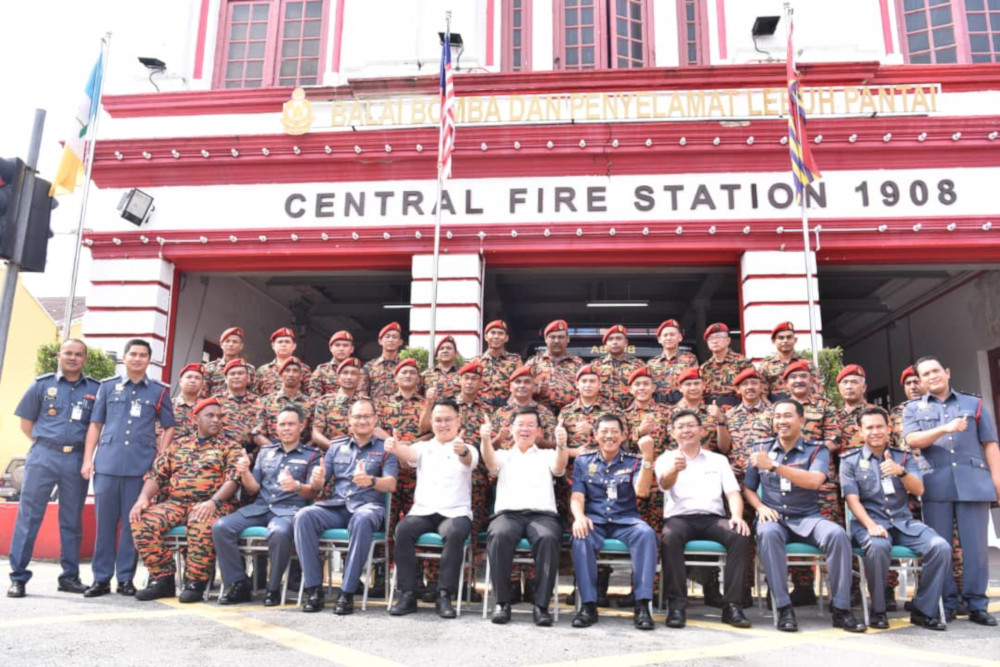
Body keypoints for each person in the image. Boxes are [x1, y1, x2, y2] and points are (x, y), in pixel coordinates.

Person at [742, 399, 866, 633]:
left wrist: (774, 466)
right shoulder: (760, 448)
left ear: (801, 420)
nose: (782, 421)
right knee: (767, 533)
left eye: (787, 416)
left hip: (808, 518)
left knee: (837, 535)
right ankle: (784, 607)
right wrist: (759, 507)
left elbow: (814, 481)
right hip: (774, 518)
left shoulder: (816, 449)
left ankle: (841, 609)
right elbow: (748, 487)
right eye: (777, 416)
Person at [903, 356, 1000, 626]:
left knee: (977, 549)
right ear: (920, 381)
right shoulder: (912, 409)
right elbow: (913, 440)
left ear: (947, 372)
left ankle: (977, 604)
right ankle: (946, 601)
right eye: (925, 374)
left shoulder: (974, 403)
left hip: (973, 482)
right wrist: (944, 428)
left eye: (936, 371)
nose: (932, 376)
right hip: (935, 483)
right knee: (941, 547)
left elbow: (990, 443)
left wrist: (998, 481)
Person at [840, 406, 949, 631]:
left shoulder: (904, 457)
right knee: (878, 547)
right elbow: (852, 501)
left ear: (889, 429)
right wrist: (870, 526)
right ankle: (878, 610)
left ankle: (923, 609)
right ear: (860, 431)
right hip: (869, 523)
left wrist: (901, 472)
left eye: (880, 426)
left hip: (903, 523)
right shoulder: (849, 461)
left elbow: (918, 489)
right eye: (869, 427)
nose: (875, 431)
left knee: (941, 547)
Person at [82, 339, 175, 597]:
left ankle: (125, 579)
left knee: (132, 525)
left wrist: (159, 458)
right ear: (124, 358)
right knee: (105, 525)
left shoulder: (158, 391)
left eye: (142, 355)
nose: (137, 359)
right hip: (108, 464)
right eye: (133, 354)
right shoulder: (108, 387)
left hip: (140, 467)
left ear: (149, 360)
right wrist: (88, 459)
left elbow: (169, 426)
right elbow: (95, 425)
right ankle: (101, 579)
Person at [7, 339, 99, 598]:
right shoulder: (41, 385)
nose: (72, 358)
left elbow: (96, 427)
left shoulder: (94, 389)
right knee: (29, 518)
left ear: (85, 359)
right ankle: (18, 577)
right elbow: (27, 423)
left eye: (78, 354)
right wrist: (45, 445)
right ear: (59, 355)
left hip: (76, 459)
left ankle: (69, 577)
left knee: (71, 520)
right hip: (43, 456)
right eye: (68, 353)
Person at [130, 398, 242, 602]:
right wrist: (143, 499)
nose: (216, 420)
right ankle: (162, 578)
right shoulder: (178, 445)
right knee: (141, 520)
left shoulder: (230, 446)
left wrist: (213, 502)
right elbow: (157, 476)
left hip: (214, 503)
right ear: (195, 419)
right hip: (178, 503)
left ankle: (195, 582)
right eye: (210, 416)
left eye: (219, 416)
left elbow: (234, 479)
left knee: (200, 521)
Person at [295, 398, 398, 614]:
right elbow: (319, 485)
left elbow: (391, 484)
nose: (362, 421)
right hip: (338, 507)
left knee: (361, 519)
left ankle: (347, 592)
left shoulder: (385, 449)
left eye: (367, 416)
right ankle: (314, 589)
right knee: (304, 516)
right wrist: (317, 478)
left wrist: (371, 480)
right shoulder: (336, 447)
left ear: (375, 419)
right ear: (349, 420)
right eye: (357, 416)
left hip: (368, 507)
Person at [213, 406, 321, 606]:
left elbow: (312, 492)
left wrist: (297, 486)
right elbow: (253, 488)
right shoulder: (265, 452)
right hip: (260, 508)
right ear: (275, 428)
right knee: (221, 527)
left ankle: (273, 587)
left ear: (301, 426)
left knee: (279, 533)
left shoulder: (312, 455)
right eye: (282, 424)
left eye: (291, 424)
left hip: (289, 510)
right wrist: (244, 472)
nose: (286, 428)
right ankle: (238, 583)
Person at [656, 410, 752, 629]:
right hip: (680, 519)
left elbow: (733, 493)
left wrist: (736, 516)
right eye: (680, 426)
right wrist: (675, 469)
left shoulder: (718, 460)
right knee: (670, 538)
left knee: (740, 535)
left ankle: (732, 606)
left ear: (701, 430)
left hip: (713, 519)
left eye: (691, 425)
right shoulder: (666, 459)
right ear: (673, 433)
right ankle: (677, 606)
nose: (686, 430)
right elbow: (665, 484)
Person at [387, 399, 478, 618]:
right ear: (431, 422)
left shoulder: (468, 447)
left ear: (458, 421)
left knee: (455, 533)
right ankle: (407, 594)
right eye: (438, 420)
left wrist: (462, 451)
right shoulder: (423, 447)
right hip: (424, 512)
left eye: (448, 420)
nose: (443, 424)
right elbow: (409, 455)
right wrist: (396, 448)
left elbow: (468, 461)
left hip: (455, 512)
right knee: (402, 530)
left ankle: (444, 595)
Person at [481, 407, 569, 626]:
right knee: (499, 536)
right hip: (508, 515)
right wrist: (485, 440)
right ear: (511, 429)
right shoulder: (502, 455)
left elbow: (559, 468)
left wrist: (562, 444)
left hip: (542, 516)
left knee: (548, 539)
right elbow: (490, 464)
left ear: (538, 430)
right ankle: (502, 603)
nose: (525, 429)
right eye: (521, 424)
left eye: (531, 425)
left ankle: (541, 606)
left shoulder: (547, 455)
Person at [569, 413, 657, 630]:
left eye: (614, 431)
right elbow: (577, 496)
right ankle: (588, 604)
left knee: (646, 534)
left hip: (625, 521)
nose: (609, 436)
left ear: (624, 435)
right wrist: (579, 518)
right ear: (595, 435)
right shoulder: (583, 461)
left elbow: (642, 492)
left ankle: (642, 604)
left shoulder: (634, 461)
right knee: (580, 537)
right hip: (595, 521)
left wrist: (647, 460)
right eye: (604, 431)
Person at [253, 357, 314, 450]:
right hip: (272, 451)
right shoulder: (265, 401)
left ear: (301, 376)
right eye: (287, 371)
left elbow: (315, 435)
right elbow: (257, 435)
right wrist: (276, 451)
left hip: (301, 453)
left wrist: (302, 451)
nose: (291, 374)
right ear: (280, 375)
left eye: (295, 371)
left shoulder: (310, 403)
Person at [526, 319, 584, 414]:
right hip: (540, 414)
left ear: (568, 339)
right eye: (552, 337)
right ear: (545, 339)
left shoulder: (579, 364)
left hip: (571, 414)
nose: (556, 341)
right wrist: (534, 390)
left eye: (561, 337)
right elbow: (519, 389)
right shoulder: (533, 363)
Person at [312, 357, 368, 450]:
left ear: (360, 378)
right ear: (338, 377)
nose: (349, 377)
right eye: (345, 373)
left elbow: (375, 431)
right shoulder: (325, 402)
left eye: (353, 373)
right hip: (332, 456)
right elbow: (316, 434)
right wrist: (336, 450)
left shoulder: (366, 403)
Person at [757, 322, 820, 402]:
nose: (785, 341)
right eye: (781, 338)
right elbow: (762, 393)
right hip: (776, 407)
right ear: (774, 341)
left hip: (803, 406)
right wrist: (771, 409)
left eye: (789, 337)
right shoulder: (766, 365)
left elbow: (817, 387)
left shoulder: (807, 363)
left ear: (795, 340)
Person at [216, 358, 263, 457]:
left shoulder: (259, 402)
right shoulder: (216, 402)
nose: (236, 376)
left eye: (240, 373)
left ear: (248, 377)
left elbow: (263, 434)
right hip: (220, 455)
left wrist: (253, 455)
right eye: (232, 374)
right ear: (225, 378)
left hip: (250, 456)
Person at [645, 319, 698, 407]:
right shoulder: (651, 363)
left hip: (682, 406)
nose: (669, 338)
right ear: (659, 339)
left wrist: (682, 404)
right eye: (665, 335)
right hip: (657, 407)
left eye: (672, 335)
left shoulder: (690, 359)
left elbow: (695, 385)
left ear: (680, 337)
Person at [699, 323, 752, 409]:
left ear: (728, 340)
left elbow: (752, 387)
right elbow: (700, 393)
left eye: (719, 337)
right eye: (711, 338)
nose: (715, 341)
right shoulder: (704, 368)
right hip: (711, 412)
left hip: (736, 410)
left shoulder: (742, 362)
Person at [591, 324, 645, 409]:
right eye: (610, 339)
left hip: (630, 412)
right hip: (603, 413)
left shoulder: (638, 365)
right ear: (605, 344)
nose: (614, 342)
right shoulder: (596, 365)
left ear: (626, 342)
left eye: (618, 338)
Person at [474, 320, 522, 409]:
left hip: (507, 407)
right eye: (493, 333)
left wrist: (509, 405)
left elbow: (519, 384)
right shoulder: (476, 361)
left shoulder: (515, 360)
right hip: (481, 408)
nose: (496, 336)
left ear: (506, 338)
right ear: (485, 337)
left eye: (500, 333)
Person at [254, 327, 312, 397]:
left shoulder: (303, 369)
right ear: (273, 346)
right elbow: (255, 396)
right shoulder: (263, 370)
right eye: (280, 342)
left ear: (294, 346)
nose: (283, 345)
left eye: (287, 342)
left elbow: (309, 394)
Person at [201, 327, 256, 397]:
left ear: (241, 346)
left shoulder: (249, 369)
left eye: (235, 342)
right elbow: (202, 394)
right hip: (216, 406)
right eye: (227, 341)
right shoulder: (209, 367)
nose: (231, 345)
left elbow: (254, 394)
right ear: (221, 344)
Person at [362, 322, 406, 401]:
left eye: (395, 337)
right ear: (380, 341)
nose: (391, 340)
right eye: (387, 337)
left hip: (399, 409)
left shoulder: (405, 367)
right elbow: (362, 392)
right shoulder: (369, 366)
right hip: (377, 409)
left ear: (400, 342)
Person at [309, 330, 356, 398]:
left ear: (352, 349)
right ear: (331, 348)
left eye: (345, 345)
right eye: (337, 345)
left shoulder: (359, 372)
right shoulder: (321, 371)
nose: (341, 349)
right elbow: (315, 398)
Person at [171, 363, 205, 440]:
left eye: (197, 378)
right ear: (180, 381)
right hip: (173, 450)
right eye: (189, 377)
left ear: (202, 384)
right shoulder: (169, 405)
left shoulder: (206, 407)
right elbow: (159, 431)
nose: (193, 381)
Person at [422, 336, 461, 400]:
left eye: (449, 348)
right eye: (441, 349)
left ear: (456, 354)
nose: (445, 351)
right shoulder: (426, 375)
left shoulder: (463, 374)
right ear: (436, 356)